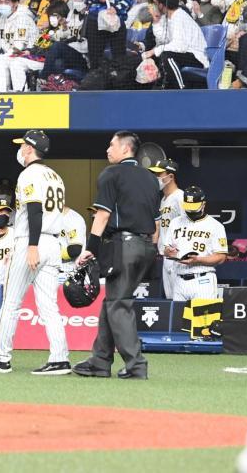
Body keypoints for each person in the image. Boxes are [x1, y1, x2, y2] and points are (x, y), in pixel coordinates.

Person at [73, 131, 161, 380]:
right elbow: (156, 225)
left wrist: (91, 248)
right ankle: (99, 361)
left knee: (118, 305)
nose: (107, 149)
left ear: (125, 149)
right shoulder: (151, 178)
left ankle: (136, 365)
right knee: (113, 301)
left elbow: (102, 215)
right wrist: (151, 249)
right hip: (146, 246)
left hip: (125, 245)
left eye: (111, 145)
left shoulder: (111, 173)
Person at [0, 131, 70, 376]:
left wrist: (31, 246)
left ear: (30, 149)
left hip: (32, 241)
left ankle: (1, 358)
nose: (20, 150)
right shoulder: (55, 175)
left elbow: (34, 211)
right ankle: (59, 358)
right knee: (49, 306)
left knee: (11, 302)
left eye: (23, 146)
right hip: (53, 243)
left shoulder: (29, 173)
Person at [163, 186, 228, 301]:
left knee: (203, 319)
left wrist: (198, 259)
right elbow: (166, 249)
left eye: (194, 207)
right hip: (179, 280)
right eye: (188, 207)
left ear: (203, 204)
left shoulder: (216, 226)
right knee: (178, 318)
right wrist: (168, 252)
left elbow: (221, 257)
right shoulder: (175, 223)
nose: (190, 211)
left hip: (203, 279)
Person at [148, 158, 184, 299]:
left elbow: (189, 224)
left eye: (159, 174)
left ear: (170, 176)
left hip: (178, 256)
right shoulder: (163, 199)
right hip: (165, 255)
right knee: (170, 298)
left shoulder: (180, 196)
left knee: (179, 298)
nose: (156, 178)